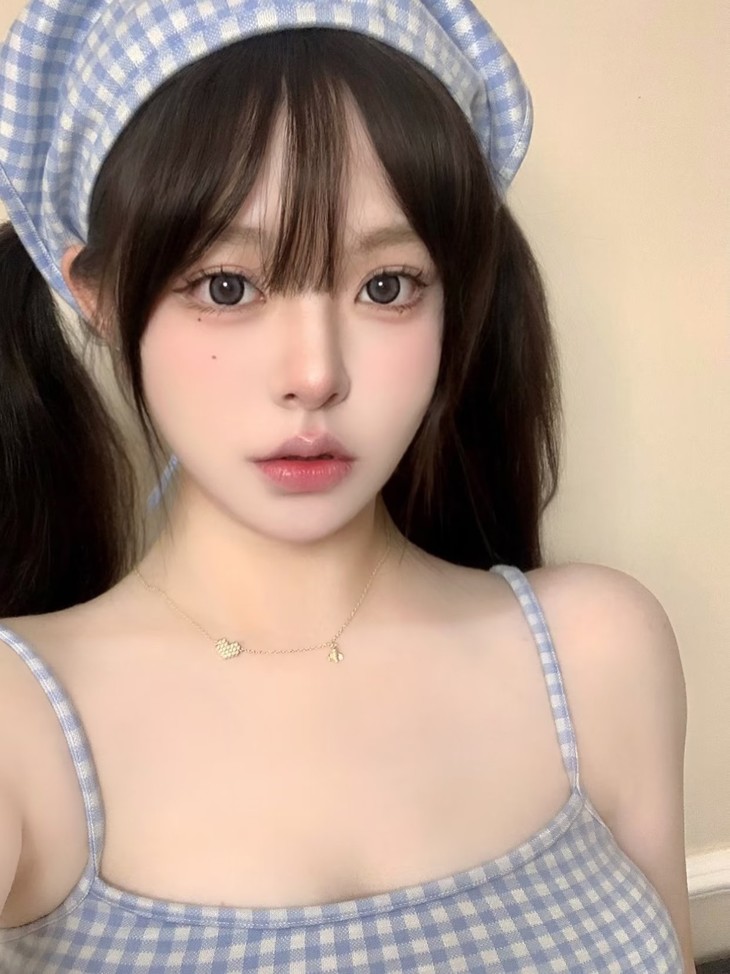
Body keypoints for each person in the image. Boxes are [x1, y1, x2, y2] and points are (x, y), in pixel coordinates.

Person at [0, 0, 694, 971]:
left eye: (386, 285)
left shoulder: (596, 656)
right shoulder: (21, 721)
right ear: (101, 296)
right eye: (228, 286)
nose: (315, 374)